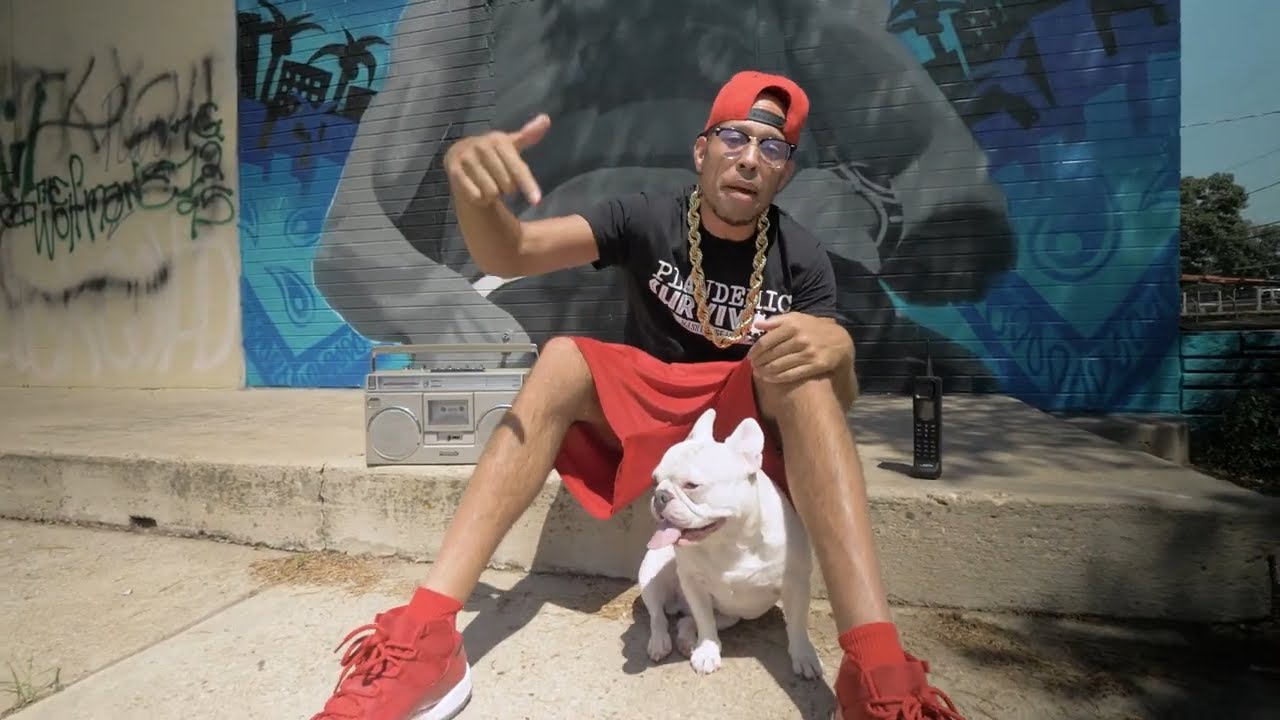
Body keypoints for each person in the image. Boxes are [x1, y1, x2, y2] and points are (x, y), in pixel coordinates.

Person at [310, 71, 966, 720]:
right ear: (702, 151)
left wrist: (840, 353)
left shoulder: (802, 255)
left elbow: (834, 402)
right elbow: (513, 252)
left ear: (785, 172)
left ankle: (874, 669)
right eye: (734, 137)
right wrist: (473, 193)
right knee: (561, 358)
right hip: (653, 406)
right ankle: (426, 637)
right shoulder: (646, 215)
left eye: (772, 147)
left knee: (805, 369)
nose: (750, 157)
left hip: (738, 419)